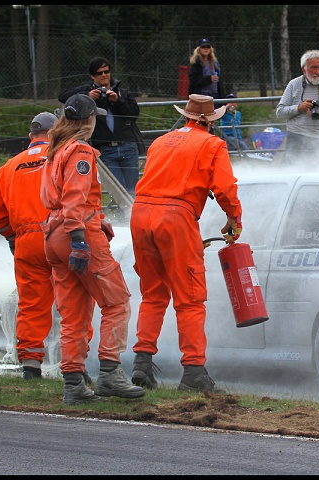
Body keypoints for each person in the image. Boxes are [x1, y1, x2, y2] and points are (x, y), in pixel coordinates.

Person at [130, 94, 242, 393]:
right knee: (190, 297)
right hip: (176, 216)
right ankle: (193, 371)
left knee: (153, 293)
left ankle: (142, 363)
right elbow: (225, 188)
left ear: (188, 117)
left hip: (140, 213)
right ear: (210, 122)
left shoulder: (161, 141)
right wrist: (234, 218)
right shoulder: (212, 144)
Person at [40, 93, 145, 405]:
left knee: (73, 313)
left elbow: (55, 197)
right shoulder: (81, 151)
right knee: (117, 302)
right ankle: (110, 373)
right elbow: (75, 194)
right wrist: (79, 237)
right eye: (95, 116)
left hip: (53, 234)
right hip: (78, 231)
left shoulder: (55, 150)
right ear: (88, 120)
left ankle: (73, 382)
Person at [0, 112, 60, 381]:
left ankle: (30, 365)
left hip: (26, 242)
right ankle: (76, 365)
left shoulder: (7, 168)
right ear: (54, 134)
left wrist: (12, 238)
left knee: (31, 304)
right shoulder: (62, 158)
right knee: (72, 301)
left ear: (31, 137)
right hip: (59, 235)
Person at [58, 56, 142, 196]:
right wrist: (87, 95)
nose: (104, 75)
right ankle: (124, 216)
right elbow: (63, 96)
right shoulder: (87, 91)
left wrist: (117, 100)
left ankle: (132, 217)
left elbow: (134, 115)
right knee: (119, 192)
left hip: (127, 146)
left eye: (106, 71)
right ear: (92, 76)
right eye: (99, 73)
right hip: (105, 149)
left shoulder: (123, 92)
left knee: (134, 189)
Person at [276, 49, 319, 160]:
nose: (318, 71)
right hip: (297, 138)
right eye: (314, 67)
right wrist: (299, 108)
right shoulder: (293, 84)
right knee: (296, 172)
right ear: (304, 68)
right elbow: (280, 112)